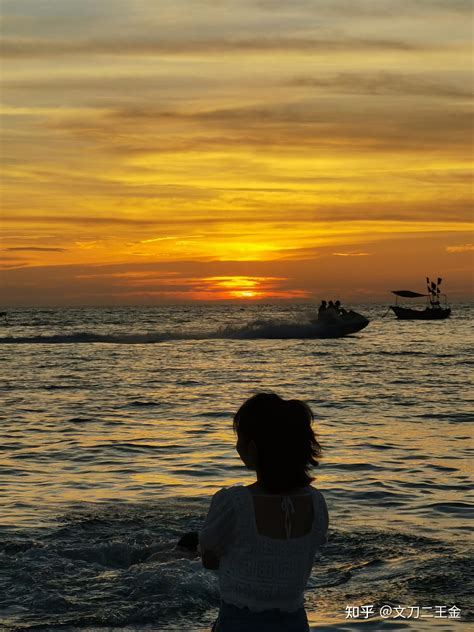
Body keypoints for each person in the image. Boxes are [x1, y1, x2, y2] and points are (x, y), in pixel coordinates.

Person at [199, 393, 329, 631]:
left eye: (239, 438)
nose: (236, 446)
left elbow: (208, 555)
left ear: (253, 448)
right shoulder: (316, 502)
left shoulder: (234, 503)